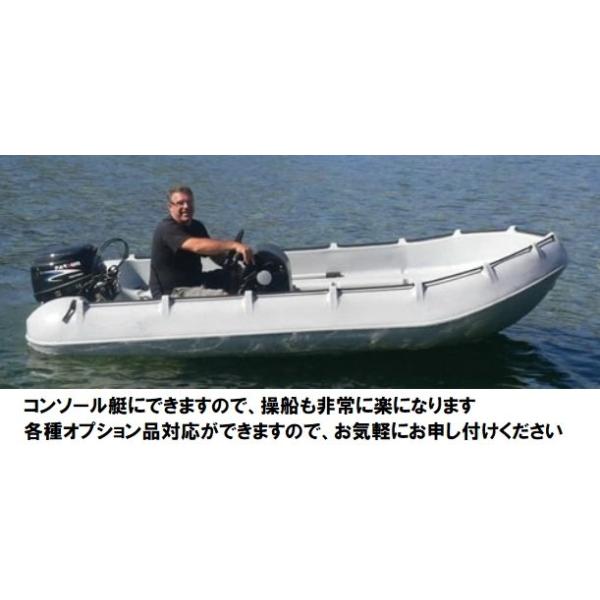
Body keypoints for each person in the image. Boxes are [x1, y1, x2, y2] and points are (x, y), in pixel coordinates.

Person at [149, 186, 254, 298]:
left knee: (240, 278)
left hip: (195, 281)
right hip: (172, 292)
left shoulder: (197, 226)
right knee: (222, 296)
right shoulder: (167, 228)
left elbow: (213, 253)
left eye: (189, 202)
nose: (186, 206)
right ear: (170, 207)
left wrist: (238, 263)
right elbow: (197, 246)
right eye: (180, 203)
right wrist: (233, 245)